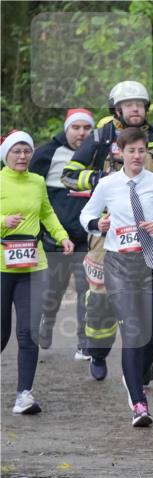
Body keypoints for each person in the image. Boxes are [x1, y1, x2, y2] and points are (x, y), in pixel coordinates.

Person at [62, 81, 153, 382]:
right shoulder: (102, 137)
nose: (135, 109)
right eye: (129, 105)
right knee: (101, 294)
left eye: (140, 104)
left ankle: (145, 360)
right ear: (117, 109)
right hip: (108, 232)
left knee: (148, 301)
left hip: (148, 234)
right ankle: (99, 350)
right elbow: (69, 175)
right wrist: (101, 180)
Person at [79, 127, 153, 427]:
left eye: (141, 151)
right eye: (131, 151)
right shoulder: (108, 185)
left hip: (152, 263)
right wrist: (97, 224)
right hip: (119, 264)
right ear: (120, 152)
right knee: (133, 333)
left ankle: (142, 368)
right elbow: (86, 215)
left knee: (149, 340)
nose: (137, 156)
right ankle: (138, 403)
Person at [1, 130, 75, 414]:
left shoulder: (37, 181)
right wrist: (3, 220)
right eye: (16, 151)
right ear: (6, 155)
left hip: (33, 264)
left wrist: (62, 235)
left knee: (28, 332)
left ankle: (24, 395)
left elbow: (46, 213)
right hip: (2, 265)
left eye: (26, 151)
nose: (22, 156)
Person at [29, 108, 95, 359]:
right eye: (76, 128)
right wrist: (38, 232)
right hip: (55, 238)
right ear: (66, 129)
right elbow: (32, 194)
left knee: (87, 291)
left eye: (86, 128)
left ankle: (84, 343)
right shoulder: (47, 153)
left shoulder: (97, 154)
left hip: (86, 238)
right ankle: (46, 323)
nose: (81, 133)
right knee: (52, 291)